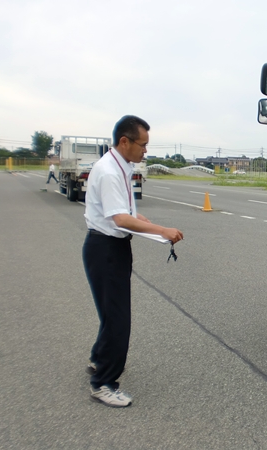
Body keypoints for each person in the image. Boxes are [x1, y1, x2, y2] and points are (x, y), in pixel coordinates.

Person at [83, 115, 183, 407]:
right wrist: (162, 230)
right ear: (124, 141)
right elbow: (119, 218)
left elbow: (121, 210)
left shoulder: (119, 166)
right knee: (117, 319)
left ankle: (98, 359)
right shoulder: (111, 171)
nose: (145, 151)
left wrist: (139, 218)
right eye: (143, 145)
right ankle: (103, 383)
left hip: (110, 247)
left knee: (109, 313)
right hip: (106, 248)